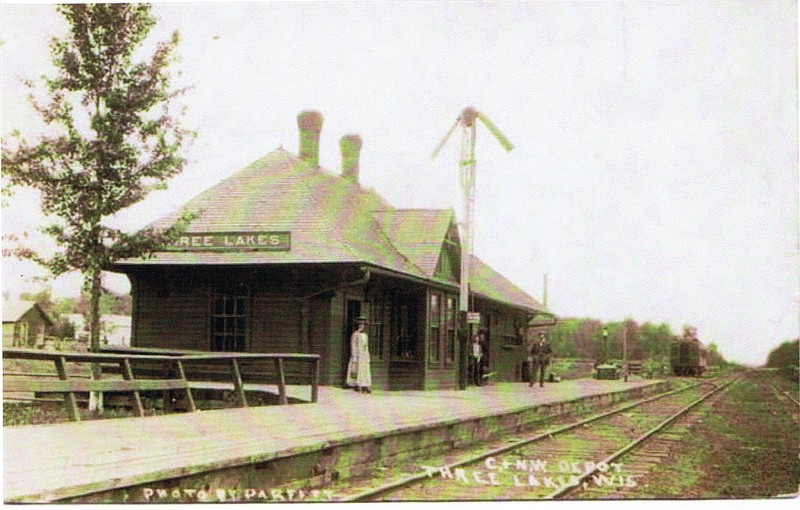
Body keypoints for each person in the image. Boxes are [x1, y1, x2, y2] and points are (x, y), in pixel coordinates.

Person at [346, 317, 372, 393]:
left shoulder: (365, 335)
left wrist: (367, 355)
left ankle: (365, 384)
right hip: (358, 354)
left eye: (363, 325)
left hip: (364, 354)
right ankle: (357, 384)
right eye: (360, 324)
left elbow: (366, 346)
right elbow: (353, 345)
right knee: (357, 369)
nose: (361, 326)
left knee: (364, 369)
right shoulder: (355, 334)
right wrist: (354, 356)